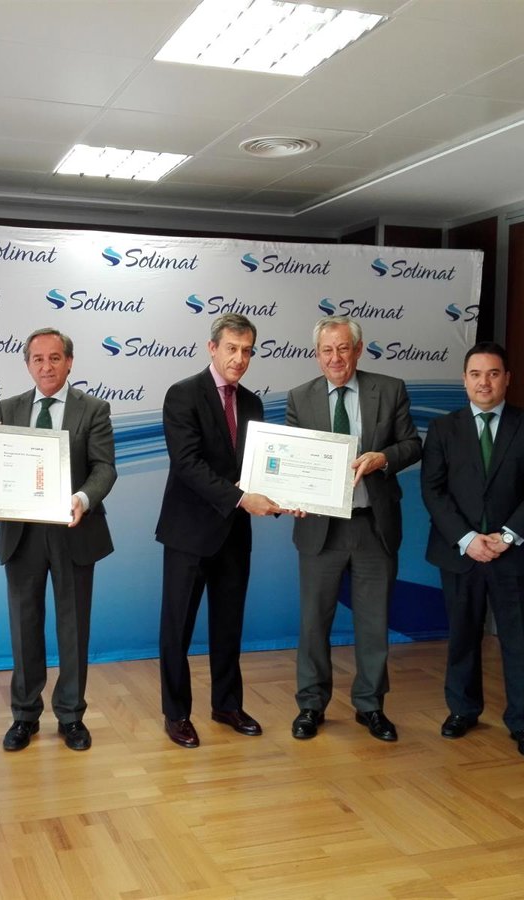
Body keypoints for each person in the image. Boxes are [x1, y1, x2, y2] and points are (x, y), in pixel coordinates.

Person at [420, 341, 524, 759]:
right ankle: (463, 710)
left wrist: (508, 536)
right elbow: (433, 490)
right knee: (463, 636)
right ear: (464, 380)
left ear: (507, 379)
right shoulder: (443, 429)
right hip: (460, 553)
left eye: (494, 374)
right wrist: (468, 539)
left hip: (515, 554)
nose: (485, 382)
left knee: (519, 643)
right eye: (476, 374)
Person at [285, 315, 422, 742]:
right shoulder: (300, 397)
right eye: (327, 350)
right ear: (316, 354)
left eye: (343, 348)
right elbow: (291, 460)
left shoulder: (390, 389)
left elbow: (412, 444)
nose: (336, 358)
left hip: (372, 526)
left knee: (373, 623)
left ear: (358, 350)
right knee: (313, 623)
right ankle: (311, 705)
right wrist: (292, 493)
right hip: (320, 529)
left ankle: (370, 706)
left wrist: (384, 458)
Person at [156, 312, 286, 749]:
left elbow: (258, 469)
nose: (239, 359)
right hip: (188, 533)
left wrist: (283, 498)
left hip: (234, 533)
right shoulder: (182, 394)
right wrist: (242, 498)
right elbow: (187, 464)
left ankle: (227, 704)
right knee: (177, 628)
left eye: (247, 351)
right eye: (232, 349)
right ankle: (176, 713)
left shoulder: (252, 403)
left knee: (229, 624)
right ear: (212, 348)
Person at [0, 328, 116, 752]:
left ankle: (71, 716)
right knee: (24, 627)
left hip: (74, 531)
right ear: (28, 364)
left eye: (55, 357)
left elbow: (104, 468)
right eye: (38, 359)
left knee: (73, 627)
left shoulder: (93, 409)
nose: (46, 366)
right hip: (21, 535)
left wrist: (83, 498)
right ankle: (24, 716)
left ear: (70, 361)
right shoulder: (7, 408)